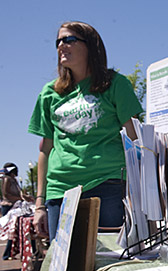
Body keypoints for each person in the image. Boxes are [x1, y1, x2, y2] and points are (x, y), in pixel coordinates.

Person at [28, 21, 143, 242]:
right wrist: (40, 203)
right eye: (58, 41)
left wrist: (141, 191)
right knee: (65, 269)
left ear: (91, 46)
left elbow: (134, 138)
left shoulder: (116, 84)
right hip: (60, 192)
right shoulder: (49, 93)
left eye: (69, 39)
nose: (62, 45)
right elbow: (45, 149)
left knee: (107, 263)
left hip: (108, 185)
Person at [1, 163, 30, 260]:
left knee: (16, 229)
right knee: (11, 230)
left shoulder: (14, 180)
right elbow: (6, 194)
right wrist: (19, 198)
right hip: (8, 206)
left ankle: (11, 253)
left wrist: (26, 198)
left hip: (16, 206)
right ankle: (7, 254)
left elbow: (20, 194)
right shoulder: (7, 179)